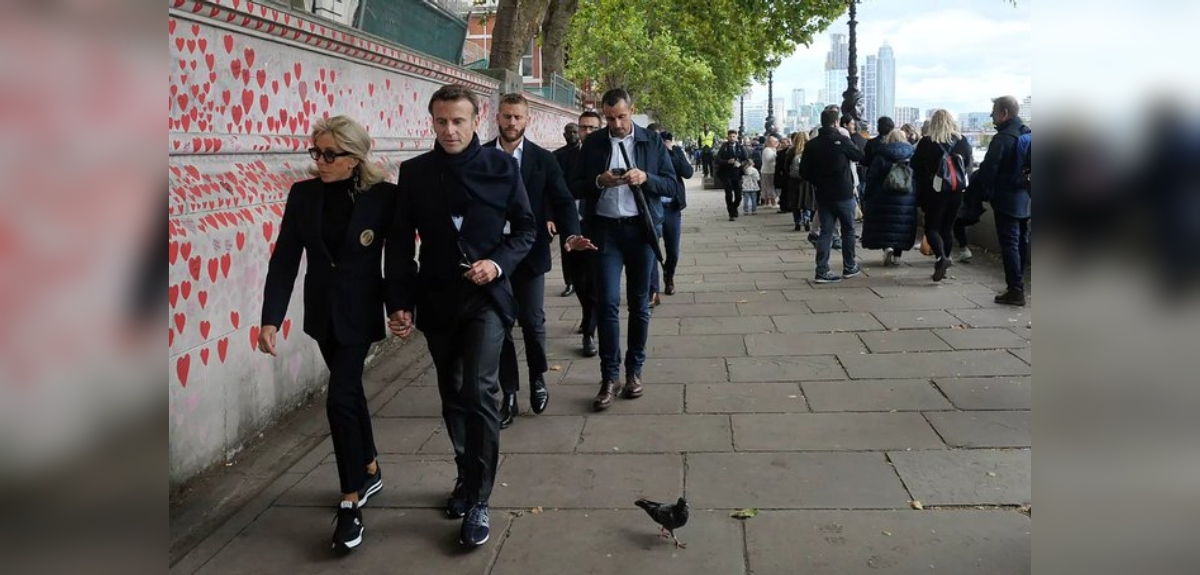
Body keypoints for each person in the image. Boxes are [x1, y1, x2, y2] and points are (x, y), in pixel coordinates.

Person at [385, 84, 536, 548]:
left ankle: (481, 500)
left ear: (477, 120)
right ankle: (465, 477)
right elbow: (398, 244)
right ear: (431, 122)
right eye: (441, 122)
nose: (449, 130)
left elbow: (527, 230)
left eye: (458, 121)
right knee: (452, 392)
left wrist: (498, 263)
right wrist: (399, 303)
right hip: (437, 299)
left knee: (479, 389)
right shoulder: (414, 173)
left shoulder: (501, 168)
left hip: (487, 299)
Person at [258, 115, 396, 554]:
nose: (320, 161)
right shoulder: (303, 196)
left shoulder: (383, 198)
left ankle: (350, 499)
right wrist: (270, 319)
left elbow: (399, 260)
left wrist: (401, 307)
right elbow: (284, 260)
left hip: (359, 313)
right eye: (315, 152)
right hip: (321, 315)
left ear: (355, 158)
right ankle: (371, 465)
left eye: (330, 154)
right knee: (349, 391)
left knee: (338, 398)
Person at [570, 88, 680, 411]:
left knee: (639, 304)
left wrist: (645, 177)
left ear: (632, 110)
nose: (616, 124)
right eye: (609, 118)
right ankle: (609, 377)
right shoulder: (593, 143)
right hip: (605, 231)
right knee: (606, 304)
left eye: (621, 116)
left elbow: (672, 185)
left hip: (641, 230)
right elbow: (574, 185)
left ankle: (634, 371)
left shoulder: (651, 141)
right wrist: (599, 181)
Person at [489, 94, 595, 429]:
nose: (512, 123)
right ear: (497, 118)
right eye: (506, 116)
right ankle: (508, 392)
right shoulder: (480, 156)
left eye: (518, 117)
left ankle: (538, 377)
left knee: (533, 324)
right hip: (492, 256)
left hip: (530, 254)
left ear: (527, 119)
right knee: (500, 328)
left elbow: (563, 201)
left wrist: (571, 234)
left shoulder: (543, 159)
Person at [970, 95, 1031, 305]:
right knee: (1022, 240)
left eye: (994, 112)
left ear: (1004, 113)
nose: (991, 116)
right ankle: (1018, 283)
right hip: (1027, 197)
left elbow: (988, 172)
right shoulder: (1028, 134)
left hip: (1007, 198)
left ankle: (1015, 289)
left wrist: (982, 193)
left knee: (1010, 242)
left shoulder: (1003, 138)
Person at [559, 110, 605, 357]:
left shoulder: (608, 155)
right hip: (572, 230)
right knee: (579, 283)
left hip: (600, 229)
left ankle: (589, 332)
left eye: (592, 128)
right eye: (584, 127)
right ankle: (588, 314)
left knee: (595, 284)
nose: (587, 132)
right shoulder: (563, 157)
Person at [801, 108, 865, 283]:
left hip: (823, 193)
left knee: (826, 232)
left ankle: (822, 269)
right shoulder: (842, 140)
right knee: (849, 230)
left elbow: (804, 171)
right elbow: (860, 156)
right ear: (836, 122)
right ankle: (849, 266)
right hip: (843, 191)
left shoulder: (812, 145)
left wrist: (818, 180)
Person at [912, 109, 974, 282]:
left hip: (933, 191)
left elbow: (915, 165)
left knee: (932, 227)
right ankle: (944, 266)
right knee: (947, 228)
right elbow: (968, 163)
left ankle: (941, 258)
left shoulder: (926, 142)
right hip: (955, 191)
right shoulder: (962, 141)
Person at [860, 129, 918, 266]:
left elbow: (872, 177)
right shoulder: (912, 155)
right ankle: (897, 256)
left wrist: (867, 196)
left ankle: (887, 248)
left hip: (883, 196)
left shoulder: (881, 156)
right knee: (902, 226)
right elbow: (917, 177)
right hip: (906, 197)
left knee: (885, 225)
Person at [649, 130, 693, 301]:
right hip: (653, 208)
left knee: (673, 250)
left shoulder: (676, 152)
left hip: (672, 208)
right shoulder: (647, 153)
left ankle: (669, 276)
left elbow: (687, 172)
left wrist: (670, 151)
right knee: (651, 249)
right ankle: (653, 289)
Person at [554, 122, 581, 297]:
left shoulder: (588, 153)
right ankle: (569, 281)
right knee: (567, 247)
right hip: (566, 205)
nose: (572, 135)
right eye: (568, 132)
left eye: (574, 132)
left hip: (585, 205)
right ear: (564, 135)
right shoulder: (557, 155)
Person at [716, 129, 748, 221]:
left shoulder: (740, 147)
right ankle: (731, 213)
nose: (732, 138)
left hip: (737, 174)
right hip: (726, 174)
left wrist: (741, 164)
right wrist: (727, 162)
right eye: (730, 136)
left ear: (736, 137)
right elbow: (718, 159)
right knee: (729, 194)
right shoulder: (724, 147)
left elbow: (745, 159)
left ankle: (734, 207)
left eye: (734, 136)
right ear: (727, 137)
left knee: (738, 195)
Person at [760, 135, 779, 208]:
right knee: (770, 187)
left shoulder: (772, 149)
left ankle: (768, 202)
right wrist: (776, 157)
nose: (776, 143)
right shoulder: (767, 150)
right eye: (775, 141)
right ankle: (772, 202)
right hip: (768, 171)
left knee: (768, 186)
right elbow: (768, 160)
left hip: (769, 170)